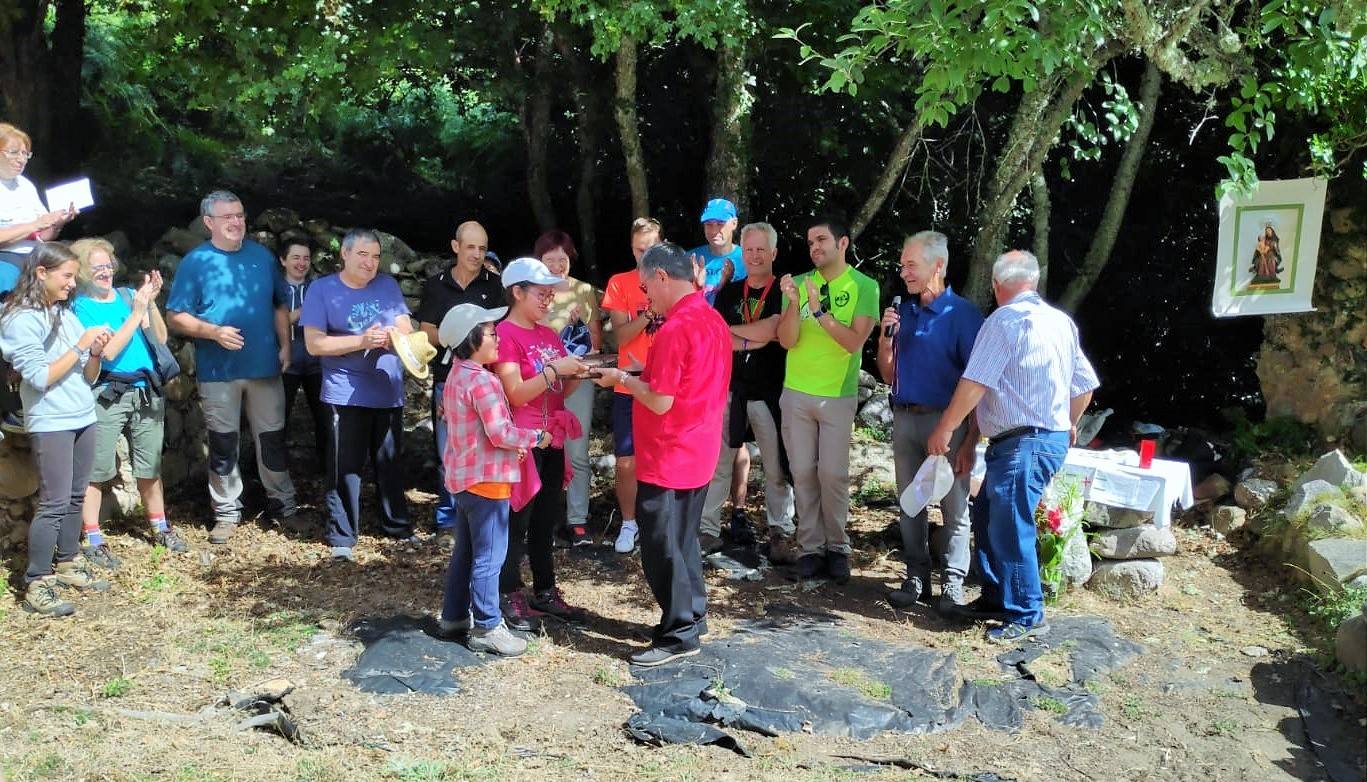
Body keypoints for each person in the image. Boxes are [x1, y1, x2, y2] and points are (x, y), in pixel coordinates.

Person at [928, 250, 1099, 643]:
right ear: (1033, 281)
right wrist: (1068, 424)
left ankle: (1026, 611)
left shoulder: (1004, 321)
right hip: (1038, 438)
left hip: (1025, 440)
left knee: (1008, 522)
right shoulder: (1061, 322)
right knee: (989, 512)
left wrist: (945, 429)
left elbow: (975, 383)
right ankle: (996, 595)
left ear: (996, 284)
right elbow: (1084, 385)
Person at [592, 242, 731, 666]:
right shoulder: (712, 318)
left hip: (669, 453)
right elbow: (682, 381)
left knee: (659, 546)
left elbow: (660, 400)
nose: (644, 295)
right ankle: (693, 614)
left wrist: (620, 378)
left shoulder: (674, 327)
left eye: (647, 285)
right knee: (683, 539)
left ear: (663, 277)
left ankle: (679, 634)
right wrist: (637, 375)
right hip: (700, 449)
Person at [166, 190, 298, 544]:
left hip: (264, 367)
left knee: (272, 438)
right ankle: (226, 512)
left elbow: (278, 306)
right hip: (218, 371)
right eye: (228, 217)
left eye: (240, 215)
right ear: (209, 222)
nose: (237, 222)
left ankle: (283, 506)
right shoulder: (196, 262)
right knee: (223, 443)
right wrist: (213, 331)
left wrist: (285, 346)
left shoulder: (262, 257)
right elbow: (175, 316)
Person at [0, 243, 113, 616]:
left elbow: (89, 375)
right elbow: (40, 376)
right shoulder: (19, 319)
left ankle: (68, 561)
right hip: (51, 420)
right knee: (53, 502)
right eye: (66, 276)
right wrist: (81, 344)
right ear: (41, 273)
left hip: (82, 414)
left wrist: (94, 351)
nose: (72, 284)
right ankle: (35, 582)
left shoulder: (63, 313)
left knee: (76, 496)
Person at [874, 231, 983, 613]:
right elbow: (888, 375)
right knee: (910, 504)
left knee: (955, 507)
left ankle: (952, 584)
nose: (903, 272)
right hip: (905, 418)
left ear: (938, 265)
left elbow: (980, 383)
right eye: (902, 265)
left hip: (947, 424)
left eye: (911, 265)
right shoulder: (902, 311)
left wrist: (969, 439)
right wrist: (885, 342)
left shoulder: (964, 316)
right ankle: (915, 577)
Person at [435, 303, 552, 656]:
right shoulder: (483, 380)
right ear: (470, 340)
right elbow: (500, 432)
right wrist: (535, 438)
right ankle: (487, 626)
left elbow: (478, 431)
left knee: (466, 552)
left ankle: (454, 616)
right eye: (490, 333)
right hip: (488, 482)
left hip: (464, 480)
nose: (497, 337)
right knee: (490, 555)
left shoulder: (457, 374)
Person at [70, 238, 188, 569]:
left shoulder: (125, 296)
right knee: (96, 469)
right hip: (107, 393)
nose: (104, 272)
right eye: (96, 267)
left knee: (149, 466)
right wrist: (136, 313)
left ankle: (160, 528)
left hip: (145, 390)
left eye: (108, 265)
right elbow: (106, 353)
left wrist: (149, 302)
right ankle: (93, 538)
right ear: (81, 271)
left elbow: (160, 338)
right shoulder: (81, 307)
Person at [301, 229, 416, 561]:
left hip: (387, 390)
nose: (370, 263)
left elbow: (406, 329)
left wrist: (396, 334)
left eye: (376, 256)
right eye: (363, 255)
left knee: (390, 464)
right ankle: (342, 537)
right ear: (345, 255)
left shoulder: (387, 286)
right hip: (345, 392)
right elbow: (314, 344)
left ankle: (396, 527)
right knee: (345, 468)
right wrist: (362, 341)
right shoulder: (322, 289)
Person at [776, 216, 879, 583]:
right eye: (810, 242)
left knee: (832, 474)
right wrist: (793, 304)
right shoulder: (801, 283)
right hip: (797, 393)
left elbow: (853, 342)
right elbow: (787, 340)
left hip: (837, 396)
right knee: (802, 473)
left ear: (843, 244)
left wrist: (818, 310)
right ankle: (810, 548)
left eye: (822, 239)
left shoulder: (865, 286)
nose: (815, 247)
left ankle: (837, 547)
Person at [492, 257, 588, 629]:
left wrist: (578, 371)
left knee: (547, 518)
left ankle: (545, 589)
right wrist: (554, 370)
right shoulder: (504, 334)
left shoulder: (548, 334)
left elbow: (561, 387)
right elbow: (515, 393)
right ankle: (508, 592)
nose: (549, 301)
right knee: (518, 519)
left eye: (551, 294)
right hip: (523, 440)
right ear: (517, 292)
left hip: (554, 436)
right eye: (542, 294)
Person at [700, 222, 798, 563]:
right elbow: (714, 335)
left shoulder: (784, 289)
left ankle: (779, 532)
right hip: (729, 390)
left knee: (775, 468)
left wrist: (737, 335)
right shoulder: (729, 292)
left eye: (761, 250)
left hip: (771, 393)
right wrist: (752, 336)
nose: (754, 256)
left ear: (773, 253)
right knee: (718, 463)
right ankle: (708, 529)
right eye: (749, 249)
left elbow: (775, 328)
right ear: (742, 252)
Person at [413, 221, 504, 545]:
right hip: (446, 380)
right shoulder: (437, 285)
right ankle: (448, 519)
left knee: (487, 450)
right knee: (450, 452)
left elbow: (500, 333)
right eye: (470, 247)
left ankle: (478, 519)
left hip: (488, 381)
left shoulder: (495, 285)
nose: (477, 254)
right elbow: (426, 329)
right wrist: (467, 336)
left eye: (482, 248)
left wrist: (459, 337)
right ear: (456, 247)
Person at [1, 122, 77, 433]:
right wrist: (37, 221)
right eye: (14, 153)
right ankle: (9, 405)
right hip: (5, 261)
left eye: (25, 154)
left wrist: (58, 221)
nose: (20, 159)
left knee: (56, 314)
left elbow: (42, 233)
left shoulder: (27, 186)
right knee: (11, 321)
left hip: (34, 258)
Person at [599, 217, 664, 554]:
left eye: (652, 248)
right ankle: (628, 523)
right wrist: (649, 315)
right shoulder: (620, 283)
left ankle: (659, 523)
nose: (646, 255)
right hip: (628, 384)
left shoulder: (672, 282)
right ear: (632, 248)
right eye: (641, 249)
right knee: (626, 460)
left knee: (663, 457)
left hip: (665, 384)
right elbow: (621, 335)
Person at [535, 230, 602, 546]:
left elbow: (596, 344)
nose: (557, 265)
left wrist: (579, 330)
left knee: (576, 450)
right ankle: (537, 517)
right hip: (539, 383)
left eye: (562, 259)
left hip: (578, 379)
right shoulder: (531, 291)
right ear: (539, 260)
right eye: (550, 259)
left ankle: (577, 520)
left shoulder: (584, 291)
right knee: (539, 448)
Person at [276, 236, 328, 468]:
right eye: (296, 257)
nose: (302, 263)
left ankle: (327, 470)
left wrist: (291, 317)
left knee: (325, 419)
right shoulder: (275, 288)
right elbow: (272, 321)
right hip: (284, 364)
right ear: (283, 260)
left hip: (318, 363)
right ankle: (274, 471)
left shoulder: (318, 288)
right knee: (278, 420)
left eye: (306, 258)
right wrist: (304, 312)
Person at [689, 198, 746, 304]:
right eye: (708, 224)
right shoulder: (691, 258)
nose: (714, 231)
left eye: (720, 224)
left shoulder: (748, 258)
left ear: (734, 223)